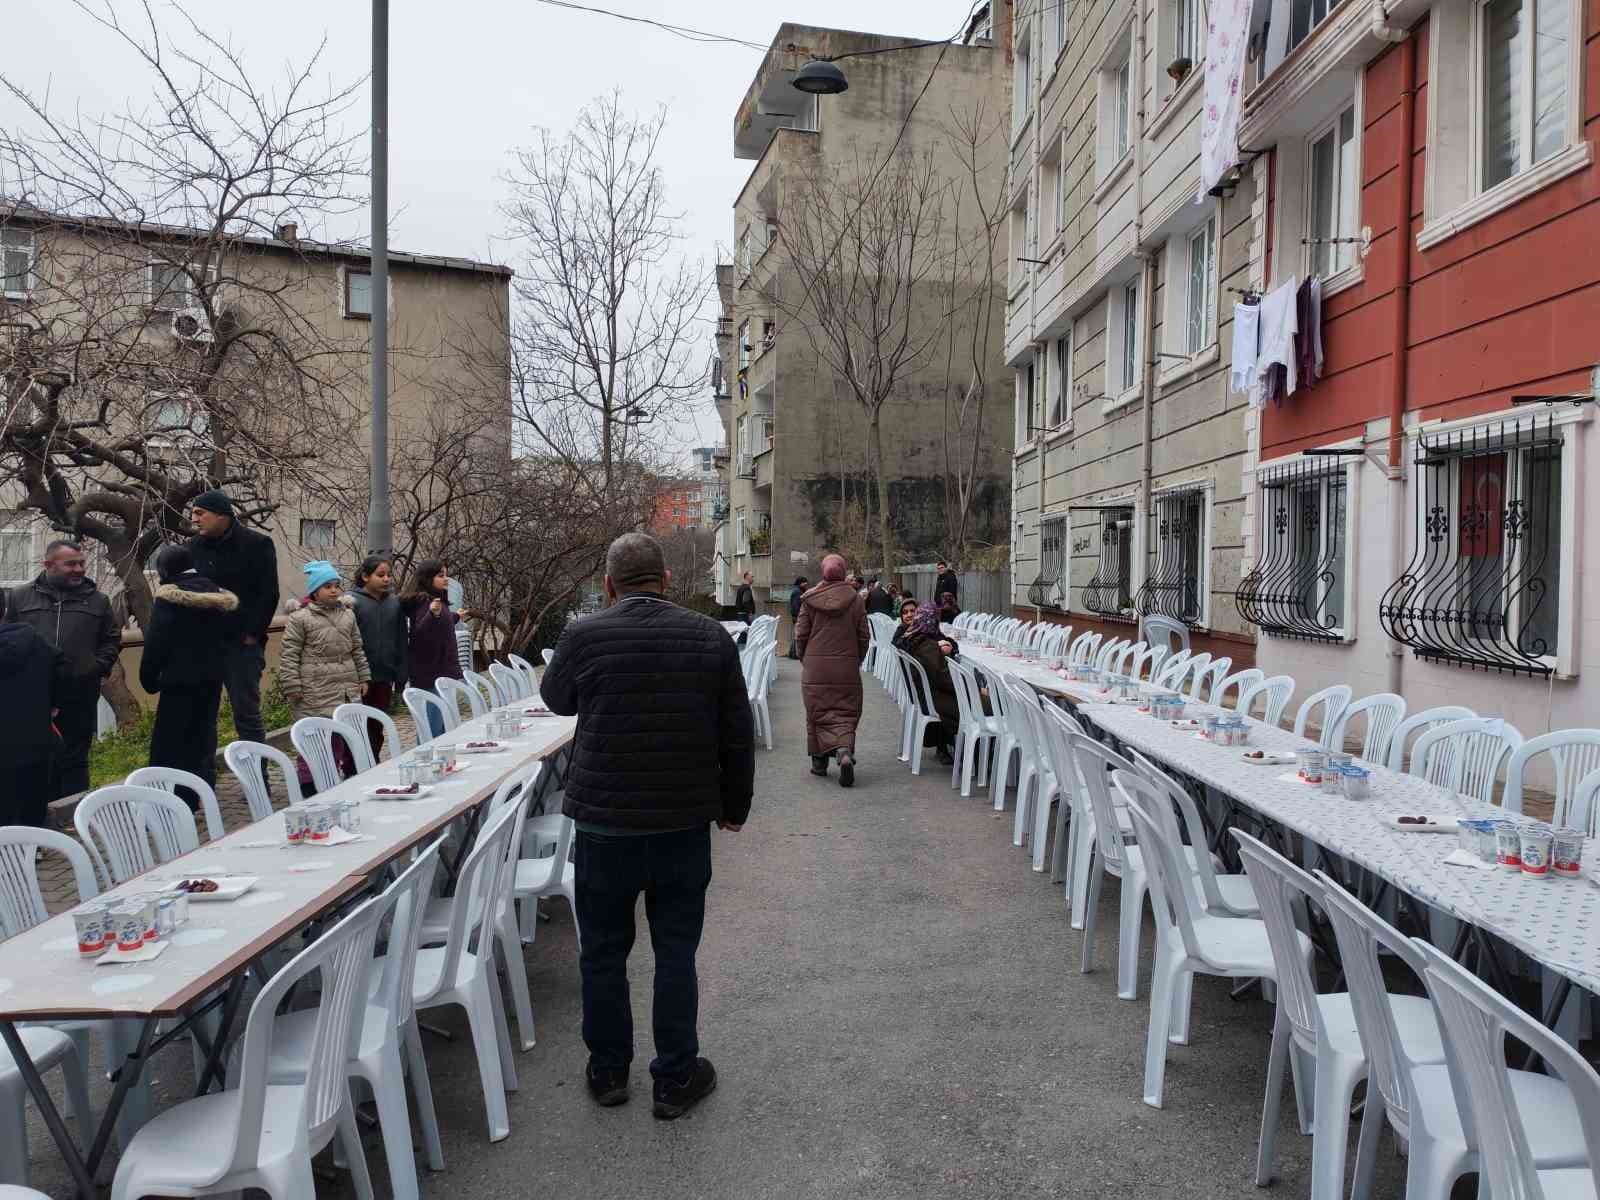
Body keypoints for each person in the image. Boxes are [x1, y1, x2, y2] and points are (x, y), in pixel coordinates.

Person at [540, 532, 753, 1120]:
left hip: (606, 827)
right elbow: (736, 731)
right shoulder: (709, 636)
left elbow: (556, 700)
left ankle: (608, 1071)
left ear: (609, 585)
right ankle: (675, 1075)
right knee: (676, 951)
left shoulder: (584, 634)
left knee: (603, 952)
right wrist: (735, 806)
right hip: (682, 822)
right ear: (666, 581)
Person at [3, 539, 121, 798]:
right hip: (32, 696)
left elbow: (111, 639)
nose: (79, 569)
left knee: (75, 759)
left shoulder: (98, 601)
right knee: (34, 758)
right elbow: (6, 636)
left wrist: (97, 667)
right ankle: (40, 814)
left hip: (79, 691)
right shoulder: (20, 596)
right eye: (71, 564)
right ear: (48, 565)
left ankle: (74, 812)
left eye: (81, 563)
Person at [139, 544, 238, 810]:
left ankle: (166, 800)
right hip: (212, 680)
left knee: (169, 743)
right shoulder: (219, 596)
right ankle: (197, 795)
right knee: (203, 738)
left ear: (165, 570)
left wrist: (148, 678)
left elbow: (156, 641)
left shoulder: (170, 598)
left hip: (177, 682)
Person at [187, 489, 279, 749]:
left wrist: (251, 635)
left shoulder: (257, 544)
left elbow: (268, 594)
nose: (194, 519)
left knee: (247, 714)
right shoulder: (194, 547)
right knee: (203, 715)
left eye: (199, 513)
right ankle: (204, 781)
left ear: (221, 515)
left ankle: (257, 782)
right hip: (204, 645)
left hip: (242, 647)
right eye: (193, 513)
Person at [279, 561, 369, 790]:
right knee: (313, 740)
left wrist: (363, 677)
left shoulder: (348, 615)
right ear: (315, 590)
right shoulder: (300, 618)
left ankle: (332, 780)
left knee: (337, 739)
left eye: (337, 585)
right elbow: (289, 653)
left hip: (344, 687)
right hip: (313, 690)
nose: (333, 590)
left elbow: (357, 648)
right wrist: (292, 685)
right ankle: (309, 787)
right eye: (327, 586)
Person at [794, 553, 869, 786]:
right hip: (846, 667)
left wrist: (804, 658)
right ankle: (844, 751)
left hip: (816, 668)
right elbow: (864, 636)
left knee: (816, 713)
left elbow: (801, 634)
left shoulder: (809, 598)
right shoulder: (856, 599)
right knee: (846, 712)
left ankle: (819, 763)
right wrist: (857, 658)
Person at [0, 614, 63, 828]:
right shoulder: (36, 641)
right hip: (35, 739)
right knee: (32, 803)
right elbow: (63, 669)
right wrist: (53, 703)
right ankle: (31, 851)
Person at [351, 554, 408, 760]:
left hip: (384, 676)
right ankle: (352, 768)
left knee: (376, 726)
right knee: (356, 726)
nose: (386, 579)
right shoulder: (353, 602)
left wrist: (401, 673)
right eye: (380, 575)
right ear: (365, 576)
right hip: (359, 678)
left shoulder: (395, 603)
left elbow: (402, 638)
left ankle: (372, 762)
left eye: (388, 575)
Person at [399, 559, 465, 738]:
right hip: (430, 675)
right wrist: (431, 614)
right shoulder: (424, 601)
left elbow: (443, 622)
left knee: (442, 728)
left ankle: (442, 764)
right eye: (440, 575)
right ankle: (427, 764)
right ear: (427, 578)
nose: (446, 579)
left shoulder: (438, 602)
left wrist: (455, 617)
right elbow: (420, 631)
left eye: (446, 574)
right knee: (431, 730)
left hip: (441, 672)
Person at [901, 601, 962, 765]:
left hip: (926, 693)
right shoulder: (927, 646)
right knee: (985, 706)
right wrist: (974, 690)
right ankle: (980, 758)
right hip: (936, 698)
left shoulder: (914, 638)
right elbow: (946, 680)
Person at [786, 576, 808, 660]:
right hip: (797, 617)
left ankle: (793, 653)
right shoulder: (797, 592)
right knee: (797, 635)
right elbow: (795, 606)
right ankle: (794, 653)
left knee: (797, 635)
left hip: (796, 616)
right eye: (805, 582)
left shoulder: (798, 591)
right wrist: (799, 616)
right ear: (801, 583)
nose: (806, 584)